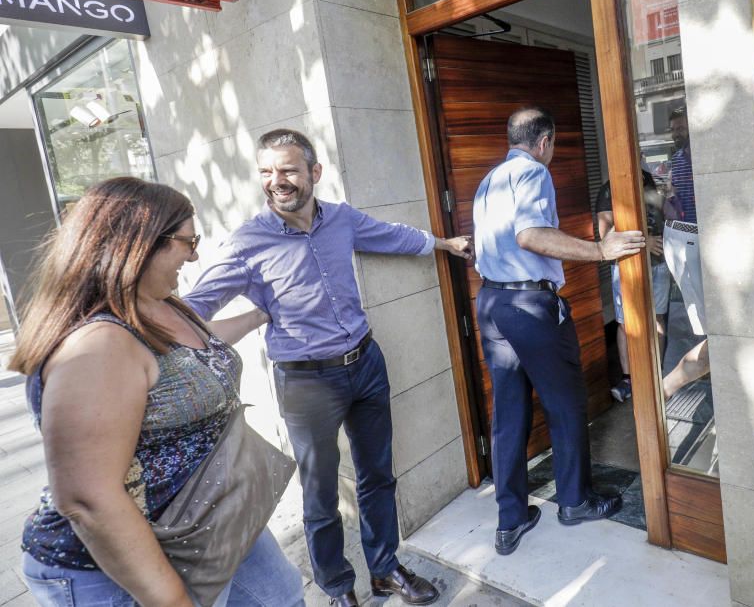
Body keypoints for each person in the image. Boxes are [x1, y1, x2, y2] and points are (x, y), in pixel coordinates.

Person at [184, 128, 472, 607]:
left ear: (314, 172)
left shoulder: (340, 219)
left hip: (366, 363)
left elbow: (393, 236)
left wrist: (442, 244)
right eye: (267, 172)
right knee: (319, 495)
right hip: (306, 382)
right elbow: (192, 310)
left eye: (289, 170)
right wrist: (256, 315)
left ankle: (384, 569)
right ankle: (339, 588)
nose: (277, 181)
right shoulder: (247, 243)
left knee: (378, 474)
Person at [9, 177, 303, 606]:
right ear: (140, 246)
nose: (196, 253)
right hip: (118, 566)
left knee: (282, 596)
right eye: (189, 241)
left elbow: (195, 350)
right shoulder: (98, 346)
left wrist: (262, 315)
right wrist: (170, 599)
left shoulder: (157, 301)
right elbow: (89, 499)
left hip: (206, 520)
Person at [473, 107, 646, 556]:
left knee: (508, 414)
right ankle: (575, 502)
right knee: (566, 403)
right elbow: (530, 235)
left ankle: (509, 520)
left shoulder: (489, 180)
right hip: (530, 305)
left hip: (492, 303)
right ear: (545, 141)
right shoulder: (532, 172)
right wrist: (601, 250)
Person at [594, 163, 674, 401]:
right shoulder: (609, 191)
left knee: (657, 318)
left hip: (658, 264)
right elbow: (605, 235)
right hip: (626, 266)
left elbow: (668, 214)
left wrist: (668, 198)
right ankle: (629, 379)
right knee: (625, 323)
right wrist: (645, 242)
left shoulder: (651, 183)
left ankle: (655, 375)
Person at [661, 107, 710, 399]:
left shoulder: (702, 156)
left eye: (681, 128)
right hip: (687, 237)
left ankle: (666, 387)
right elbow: (672, 201)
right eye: (674, 129)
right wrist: (668, 201)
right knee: (709, 328)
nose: (677, 133)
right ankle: (666, 387)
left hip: (706, 238)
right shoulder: (676, 161)